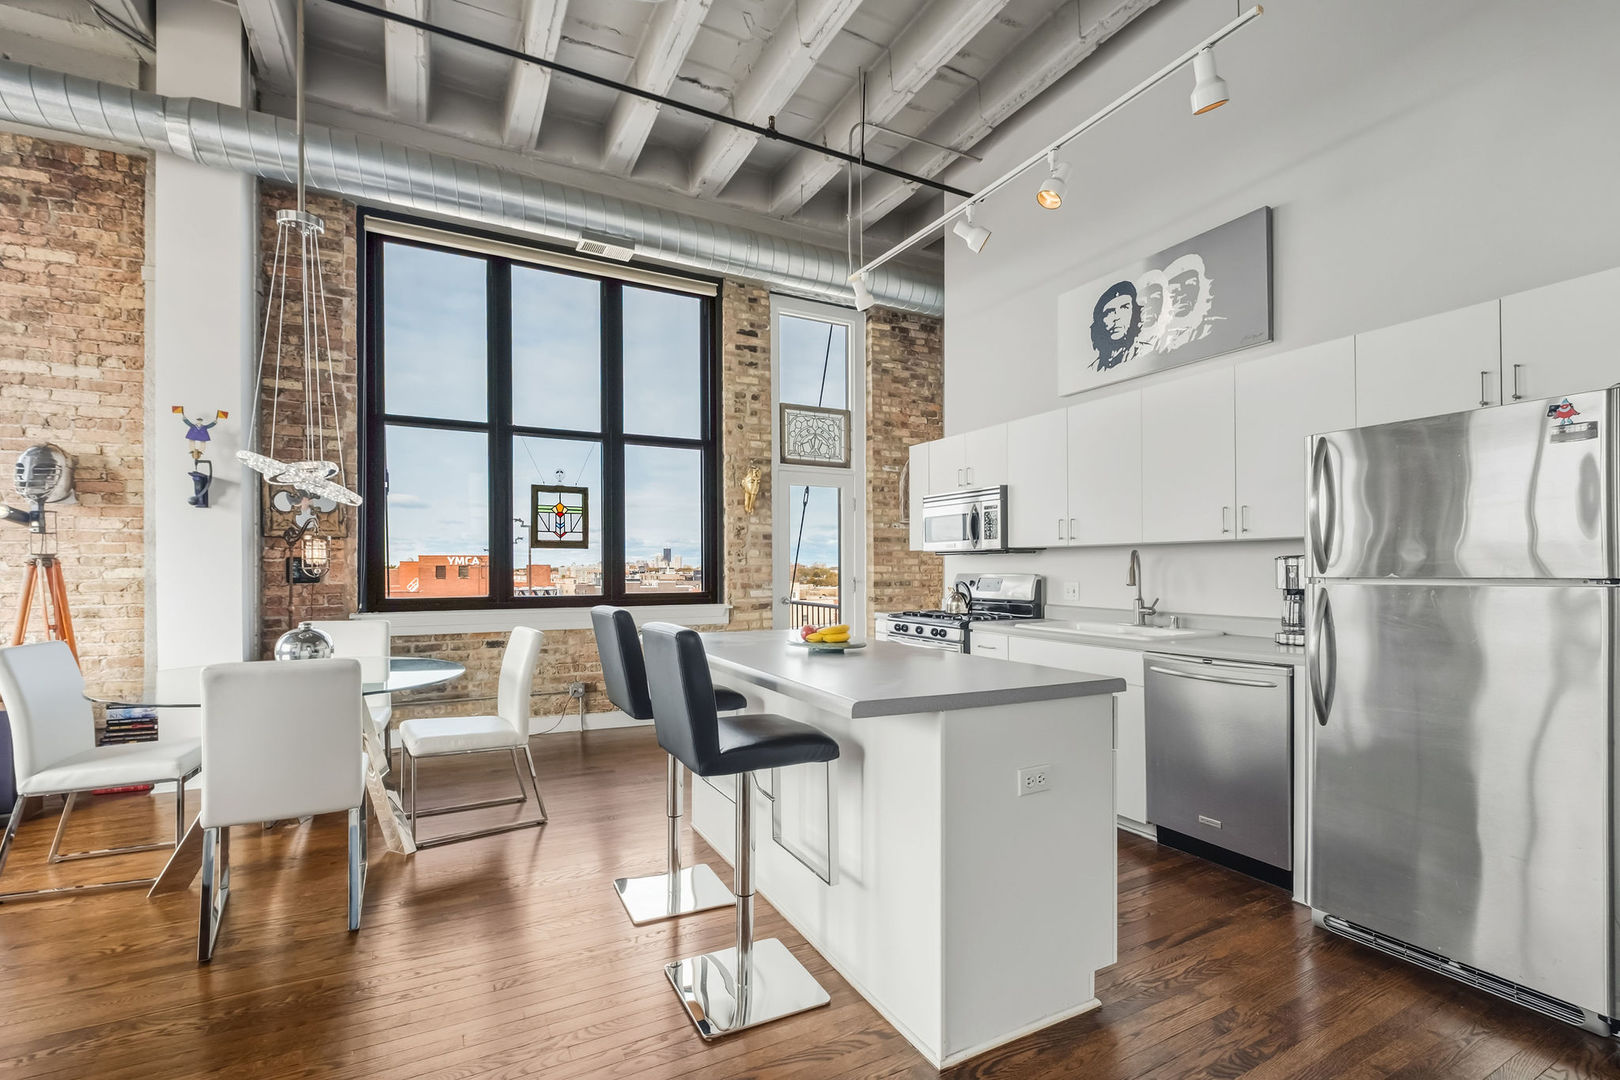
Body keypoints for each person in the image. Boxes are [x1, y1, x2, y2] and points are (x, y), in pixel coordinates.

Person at [1157, 253, 1223, 354]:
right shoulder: (1158, 340)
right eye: (1174, 289)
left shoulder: (1213, 327)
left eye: (1190, 284)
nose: (1182, 294)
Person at [1089, 280, 1141, 372]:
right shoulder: (1093, 369)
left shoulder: (1142, 352)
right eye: (1109, 312)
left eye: (1124, 308)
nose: (1116, 317)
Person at [1130, 269, 1169, 360]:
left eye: (1155, 298)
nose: (1148, 306)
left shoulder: (1169, 338)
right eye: (1142, 301)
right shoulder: (1131, 346)